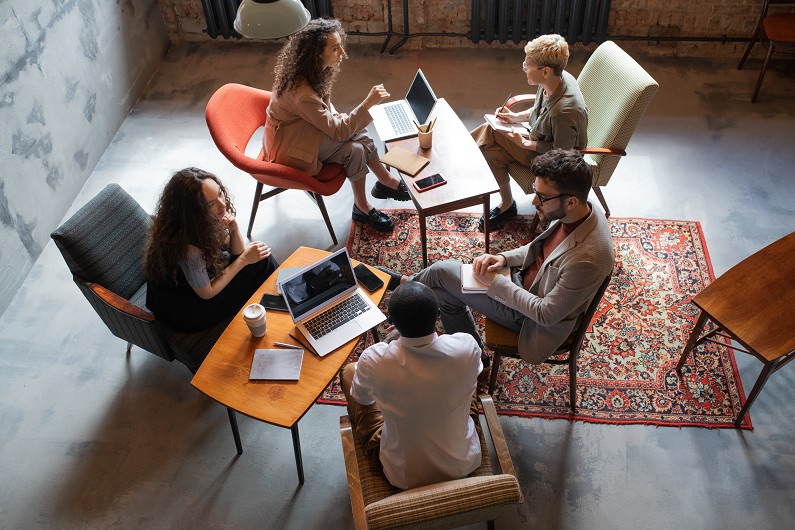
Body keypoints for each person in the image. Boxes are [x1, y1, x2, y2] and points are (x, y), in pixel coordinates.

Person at [384, 150, 613, 365]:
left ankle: (405, 289)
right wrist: (503, 258)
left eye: (541, 197)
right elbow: (542, 248)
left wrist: (495, 283)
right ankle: (474, 358)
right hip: (521, 283)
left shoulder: (588, 259)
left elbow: (545, 314)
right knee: (443, 295)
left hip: (529, 319)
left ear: (571, 201)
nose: (534, 202)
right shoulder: (580, 208)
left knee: (442, 270)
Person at [264, 18, 410, 233]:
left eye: (341, 44)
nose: (343, 52)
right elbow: (339, 132)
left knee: (356, 132)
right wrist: (368, 103)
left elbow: (324, 108)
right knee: (354, 147)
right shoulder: (303, 93)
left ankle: (375, 191)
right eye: (335, 48)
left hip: (302, 129)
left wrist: (333, 116)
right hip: (289, 147)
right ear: (317, 54)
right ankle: (374, 193)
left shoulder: (314, 71)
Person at [340, 281, 483, 490]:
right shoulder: (466, 347)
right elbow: (475, 371)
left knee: (349, 372)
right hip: (464, 462)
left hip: (402, 474)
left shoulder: (373, 359)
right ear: (438, 316)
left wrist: (390, 344)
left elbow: (363, 399)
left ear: (392, 322)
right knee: (468, 375)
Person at [470, 34, 588, 232]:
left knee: (492, 131)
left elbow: (562, 154)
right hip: (537, 138)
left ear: (545, 71)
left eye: (527, 65)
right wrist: (515, 118)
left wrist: (525, 144)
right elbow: (539, 111)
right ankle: (507, 204)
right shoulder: (554, 81)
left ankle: (463, 147)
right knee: (490, 151)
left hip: (552, 162)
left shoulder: (564, 111)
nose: (524, 68)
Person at [144, 167, 278, 331]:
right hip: (186, 308)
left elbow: (237, 252)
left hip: (197, 283)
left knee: (260, 260)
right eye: (211, 203)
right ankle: (280, 306)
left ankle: (279, 301)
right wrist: (244, 260)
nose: (223, 205)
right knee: (259, 263)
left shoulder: (199, 222)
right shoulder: (188, 248)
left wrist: (234, 229)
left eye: (220, 193)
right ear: (193, 211)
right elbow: (206, 293)